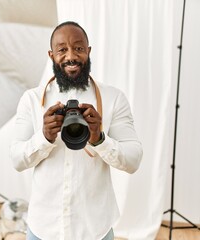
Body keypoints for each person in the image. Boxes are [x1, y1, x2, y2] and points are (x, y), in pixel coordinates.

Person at [10, 21, 143, 240]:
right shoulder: (32, 100)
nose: (71, 56)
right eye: (62, 49)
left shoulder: (113, 98)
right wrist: (43, 137)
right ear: (51, 55)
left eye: (78, 48)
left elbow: (133, 160)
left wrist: (100, 139)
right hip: (44, 227)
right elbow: (16, 159)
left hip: (95, 229)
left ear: (88, 52)